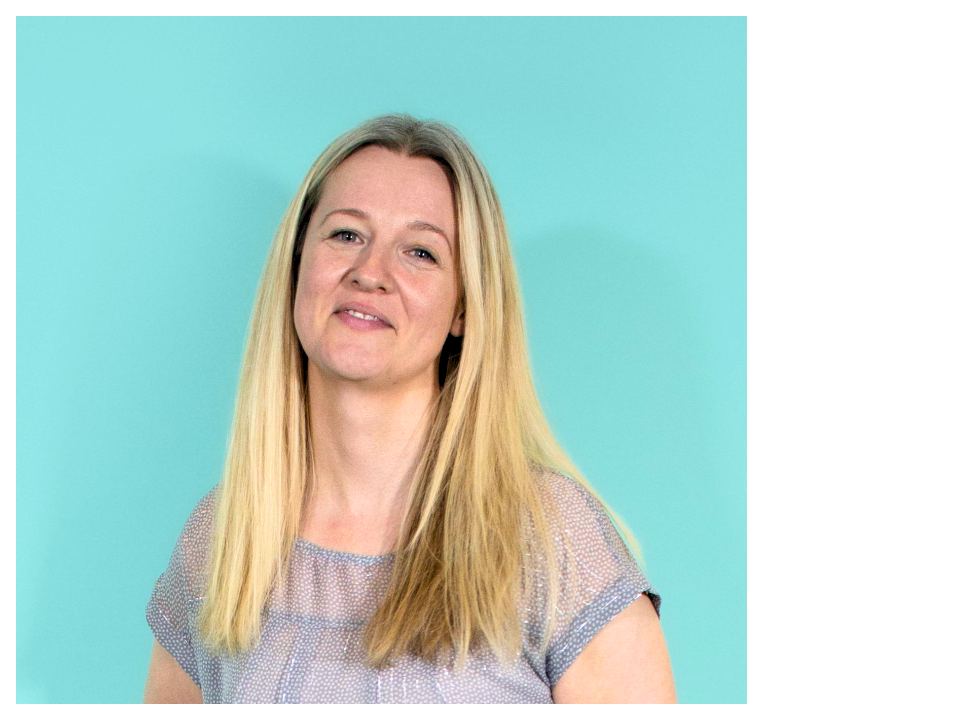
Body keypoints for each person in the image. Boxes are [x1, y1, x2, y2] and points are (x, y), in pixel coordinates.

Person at [144, 113, 676, 703]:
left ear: (464, 310)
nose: (370, 273)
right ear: (295, 267)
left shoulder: (552, 541)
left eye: (420, 252)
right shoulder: (222, 538)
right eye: (345, 234)